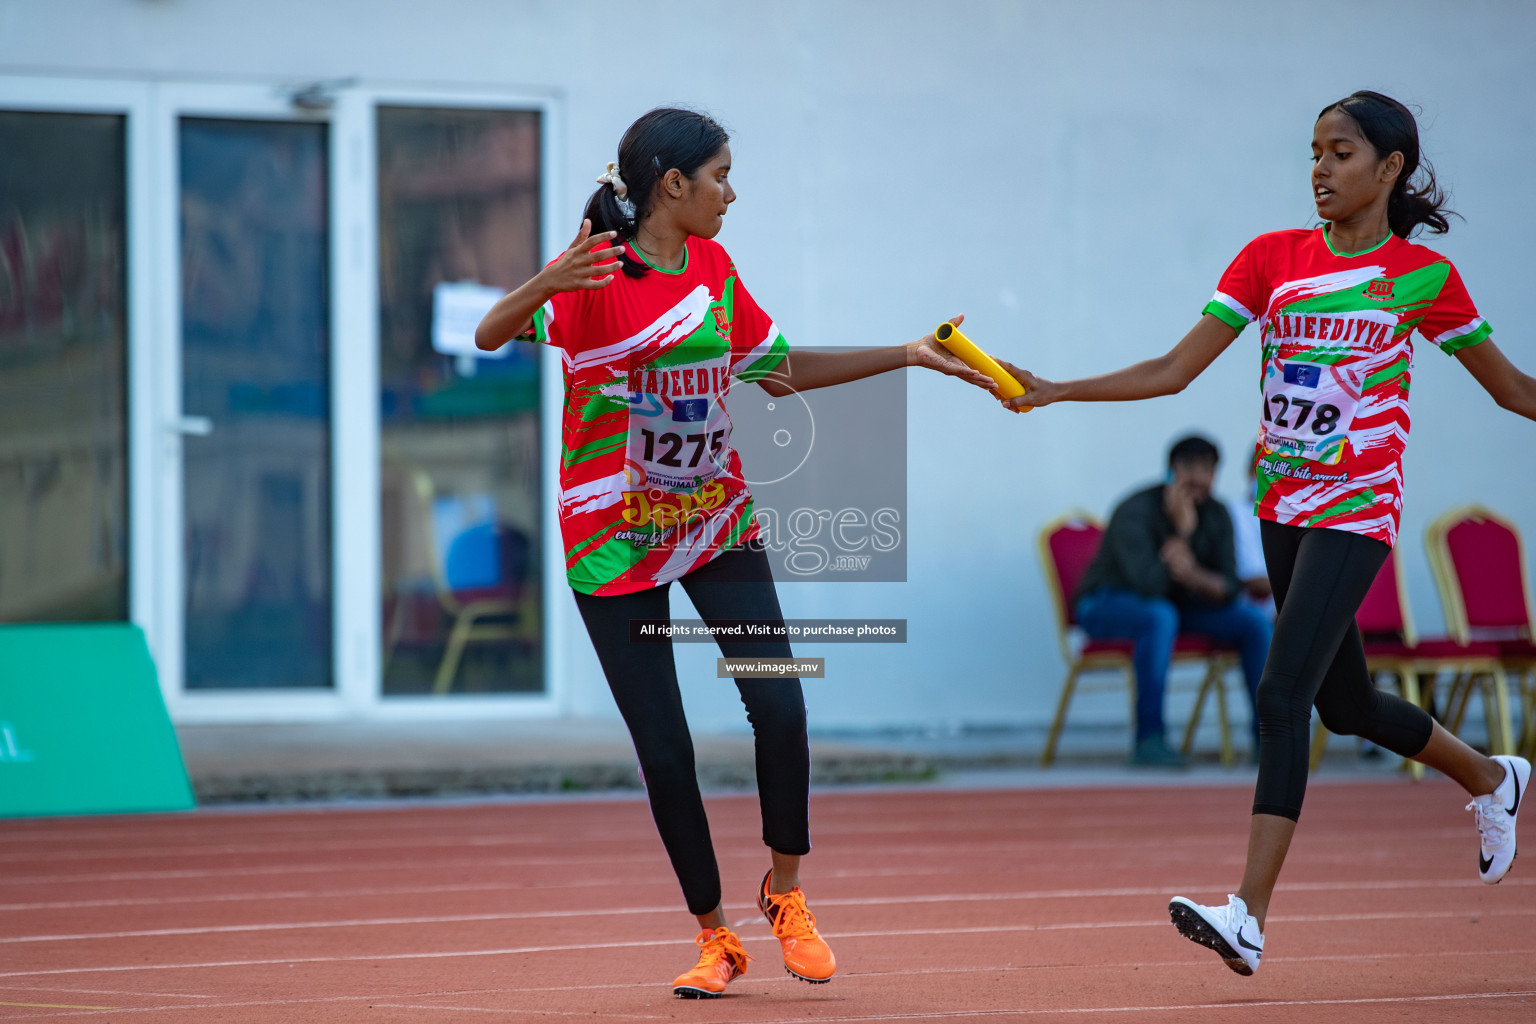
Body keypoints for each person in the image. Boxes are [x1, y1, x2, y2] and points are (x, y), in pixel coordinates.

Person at [995, 91, 1536, 975]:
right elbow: (1174, 371)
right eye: (1313, 152)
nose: (1320, 169)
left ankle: (1247, 914)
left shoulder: (1421, 278)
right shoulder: (1271, 258)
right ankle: (1490, 775)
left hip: (1356, 510)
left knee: (1281, 697)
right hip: (1282, 507)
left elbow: (1514, 391)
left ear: (1390, 169)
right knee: (1345, 704)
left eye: (1342, 153)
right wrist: (1057, 388)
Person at [473, 108, 991, 998]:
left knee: (781, 709)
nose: (731, 191)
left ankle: (785, 894)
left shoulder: (712, 267)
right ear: (672, 184)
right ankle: (716, 937)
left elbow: (775, 367)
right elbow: (488, 335)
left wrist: (905, 354)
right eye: (720, 175)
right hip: (612, 537)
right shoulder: (593, 279)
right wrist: (549, 276)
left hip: (715, 522)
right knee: (666, 751)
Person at [1074, 435, 1272, 767]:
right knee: (1159, 615)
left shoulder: (1217, 513)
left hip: (1177, 606)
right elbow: (1149, 585)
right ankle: (1149, 740)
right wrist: (1182, 531)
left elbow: (1230, 587)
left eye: (1207, 469)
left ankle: (1268, 740)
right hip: (1105, 604)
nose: (1198, 477)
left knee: (1252, 622)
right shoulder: (1134, 510)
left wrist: (1193, 573)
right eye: (1189, 468)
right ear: (1170, 471)